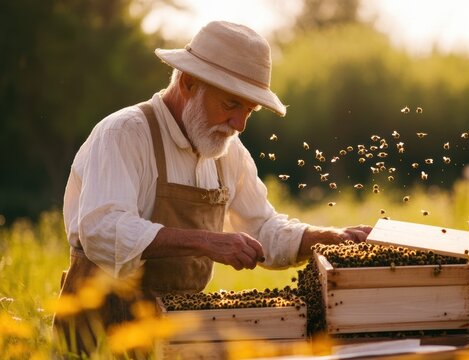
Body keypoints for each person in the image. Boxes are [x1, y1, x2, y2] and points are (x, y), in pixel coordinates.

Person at [54, 20, 371, 355]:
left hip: (179, 335)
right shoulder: (125, 133)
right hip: (100, 333)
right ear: (189, 82)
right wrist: (206, 242)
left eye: (249, 110)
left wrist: (323, 237)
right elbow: (103, 230)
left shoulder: (228, 151)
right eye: (231, 105)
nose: (240, 124)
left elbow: (261, 227)